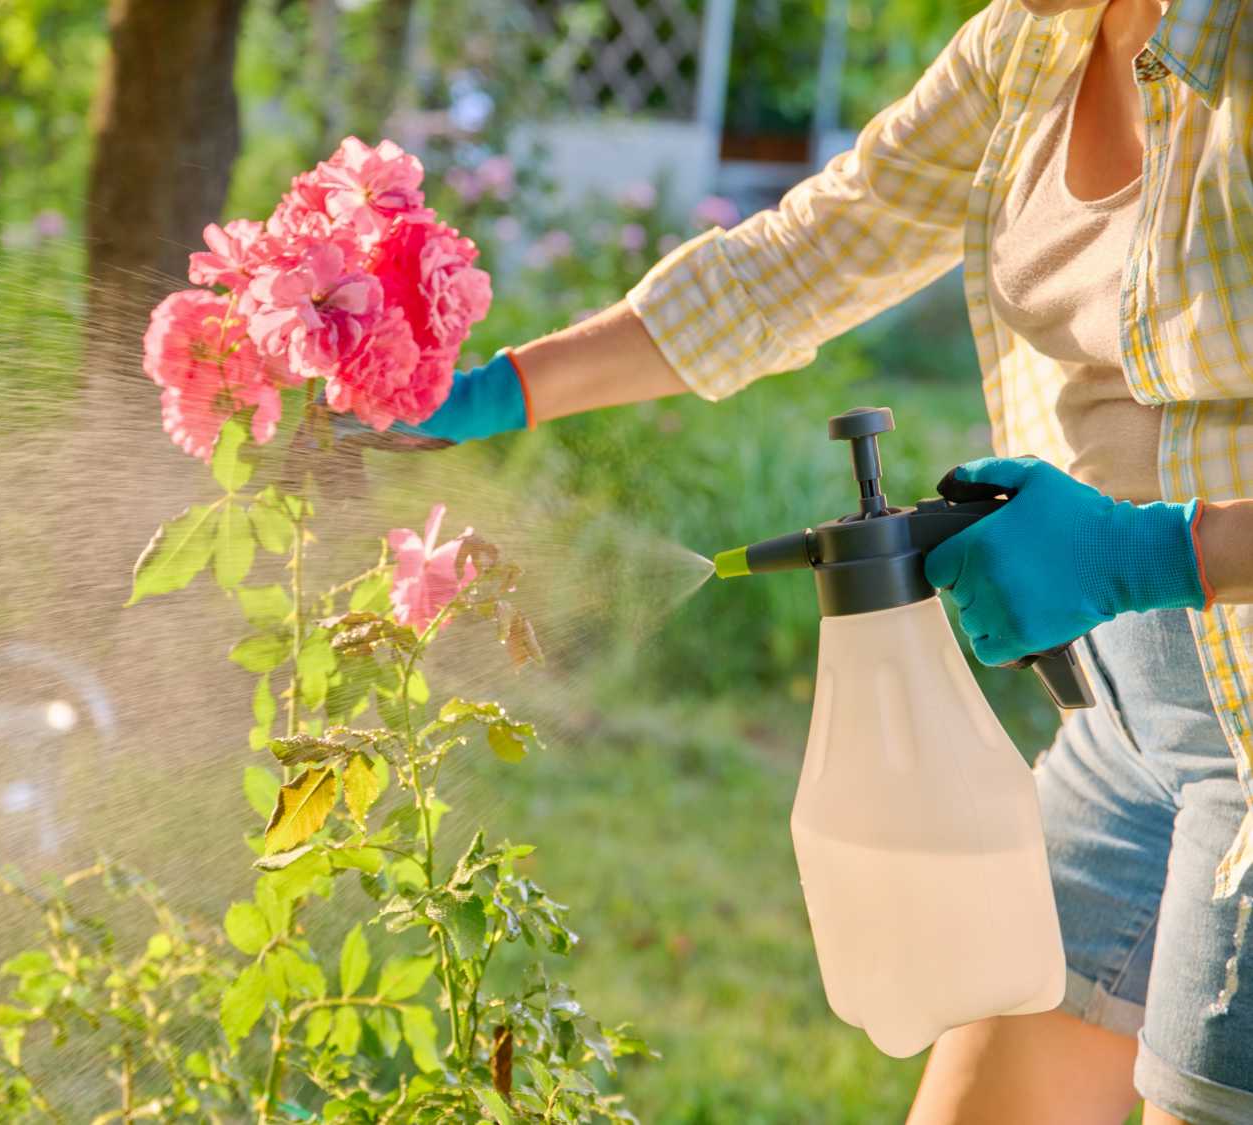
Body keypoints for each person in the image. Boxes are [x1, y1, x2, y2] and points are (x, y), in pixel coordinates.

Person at [368, 1, 1253, 1122]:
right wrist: (497, 394)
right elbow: (799, 259)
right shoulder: (1029, 47)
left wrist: (1159, 550)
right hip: (1125, 723)